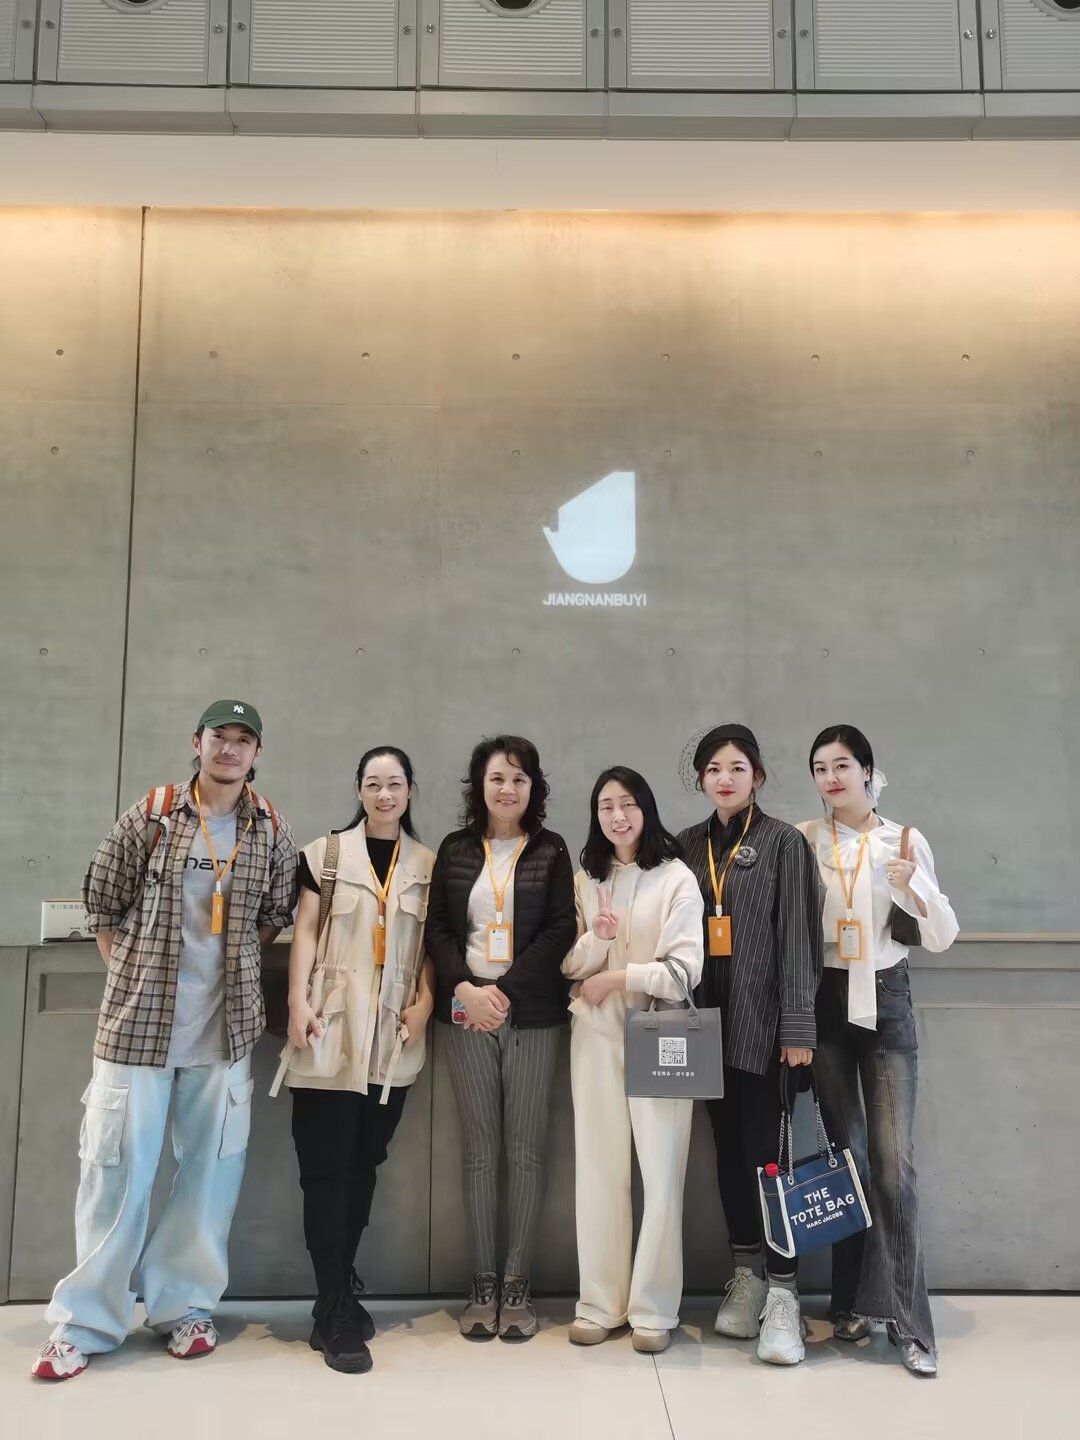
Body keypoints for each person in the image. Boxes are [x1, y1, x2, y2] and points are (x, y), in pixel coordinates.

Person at [32, 701, 297, 1381]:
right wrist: (133, 976)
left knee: (210, 1176)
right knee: (115, 1174)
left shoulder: (268, 826)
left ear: (256, 754)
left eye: (242, 741)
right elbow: (101, 903)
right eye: (218, 738)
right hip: (137, 1029)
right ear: (196, 743)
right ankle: (86, 1323)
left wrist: (232, 968)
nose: (229, 750)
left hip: (225, 1030)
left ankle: (185, 1309)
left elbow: (275, 913)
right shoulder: (151, 814)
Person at [798, 725, 958, 1378]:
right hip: (827, 1002)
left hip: (887, 999)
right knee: (850, 1161)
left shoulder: (904, 840)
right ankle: (853, 1304)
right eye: (820, 767)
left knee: (895, 1166)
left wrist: (914, 886)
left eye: (842, 765)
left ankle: (911, 1324)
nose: (831, 777)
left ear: (867, 770)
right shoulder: (805, 840)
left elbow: (942, 935)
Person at [276, 746, 435, 1374]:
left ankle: (339, 1288)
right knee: (325, 1170)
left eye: (395, 783)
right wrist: (296, 1000)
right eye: (373, 783)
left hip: (393, 1034)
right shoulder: (325, 855)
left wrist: (426, 1003)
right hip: (329, 1025)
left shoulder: (426, 863)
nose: (384, 794)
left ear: (410, 790)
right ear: (359, 790)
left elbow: (430, 947)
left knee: (365, 1163)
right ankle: (332, 1310)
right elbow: (305, 930)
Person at [677, 724, 822, 1366]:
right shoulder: (685, 846)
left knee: (771, 1159)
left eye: (737, 767)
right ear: (701, 779)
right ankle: (747, 1275)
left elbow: (799, 938)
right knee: (728, 1152)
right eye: (713, 769)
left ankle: (785, 1291)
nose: (725, 778)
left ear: (757, 775)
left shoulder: (785, 843)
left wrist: (797, 1028)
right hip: (703, 1026)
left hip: (765, 1031)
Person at [426, 735, 576, 1341]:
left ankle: (517, 1282)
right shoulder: (456, 848)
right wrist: (465, 988)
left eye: (519, 779)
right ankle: (482, 1282)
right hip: (465, 1012)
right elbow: (438, 927)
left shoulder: (552, 849)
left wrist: (505, 990)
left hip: (531, 1013)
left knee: (526, 1151)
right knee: (479, 1152)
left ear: (534, 788)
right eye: (496, 778)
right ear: (479, 786)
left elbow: (561, 928)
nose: (507, 789)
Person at [563, 767, 704, 1355]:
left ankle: (653, 1308)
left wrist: (616, 977)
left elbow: (685, 971)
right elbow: (570, 967)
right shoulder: (586, 878)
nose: (617, 816)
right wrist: (597, 940)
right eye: (605, 806)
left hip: (660, 1032)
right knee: (598, 1168)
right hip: (596, 1034)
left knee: (662, 1171)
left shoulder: (676, 878)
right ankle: (600, 1303)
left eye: (627, 804)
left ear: (646, 809)